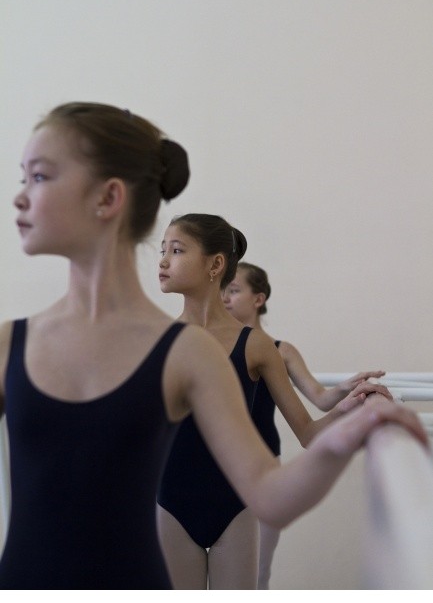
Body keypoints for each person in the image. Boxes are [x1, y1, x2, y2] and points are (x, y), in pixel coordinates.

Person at [0, 104, 427, 590]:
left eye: (39, 177)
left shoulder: (187, 353)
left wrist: (352, 431)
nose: (19, 197)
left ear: (109, 197)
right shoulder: (9, 344)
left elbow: (270, 493)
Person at [156, 214, 400, 590]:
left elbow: (308, 433)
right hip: (170, 504)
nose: (162, 261)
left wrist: (350, 407)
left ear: (215, 264)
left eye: (176, 250)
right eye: (163, 250)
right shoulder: (157, 340)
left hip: (238, 504)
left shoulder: (256, 345)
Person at [223, 261, 386, 589]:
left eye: (234, 290)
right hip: (218, 465)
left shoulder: (280, 351)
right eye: (223, 290)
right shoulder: (207, 347)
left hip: (263, 465)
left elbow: (319, 398)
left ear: (258, 299)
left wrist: (346, 388)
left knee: (257, 572)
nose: (225, 297)